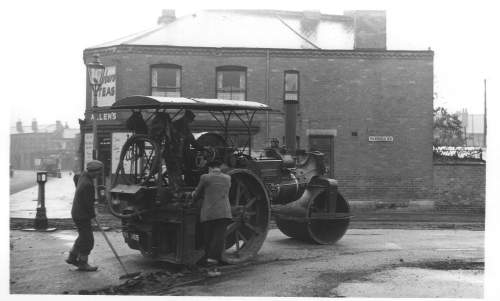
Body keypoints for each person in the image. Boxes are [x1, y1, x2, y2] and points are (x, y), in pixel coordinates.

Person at [191, 160, 232, 277]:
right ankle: (212, 267)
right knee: (217, 240)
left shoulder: (205, 177)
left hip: (208, 213)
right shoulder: (228, 178)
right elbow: (225, 191)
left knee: (208, 240)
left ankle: (210, 267)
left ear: (209, 168)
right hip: (223, 213)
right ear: (220, 167)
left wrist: (192, 196)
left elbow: (197, 193)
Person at [65, 160, 103, 271]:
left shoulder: (83, 176)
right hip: (82, 214)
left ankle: (72, 257)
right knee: (88, 240)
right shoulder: (88, 184)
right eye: (98, 172)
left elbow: (75, 177)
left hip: (77, 212)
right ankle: (83, 263)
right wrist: (93, 215)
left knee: (83, 236)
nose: (99, 175)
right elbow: (88, 205)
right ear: (93, 171)